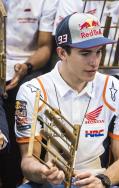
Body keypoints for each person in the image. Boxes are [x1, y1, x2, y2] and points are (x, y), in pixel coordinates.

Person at [15, 13, 119, 188]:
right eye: (85, 53)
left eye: (98, 52)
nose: (94, 62)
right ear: (62, 53)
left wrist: (104, 180)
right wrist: (43, 172)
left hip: (97, 180)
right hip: (48, 183)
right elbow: (27, 161)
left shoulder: (115, 89)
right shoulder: (32, 90)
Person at [0, 0, 58, 187]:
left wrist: (26, 67)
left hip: (27, 66)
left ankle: (26, 173)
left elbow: (45, 47)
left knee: (29, 90)